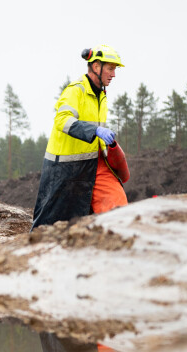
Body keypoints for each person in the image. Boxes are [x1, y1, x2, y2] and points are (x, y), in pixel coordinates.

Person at [31, 45, 127, 230]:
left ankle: (114, 248)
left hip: (94, 163)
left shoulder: (101, 95)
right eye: (110, 68)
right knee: (51, 224)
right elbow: (62, 120)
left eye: (115, 69)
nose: (114, 74)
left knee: (118, 209)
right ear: (96, 67)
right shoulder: (75, 91)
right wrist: (94, 131)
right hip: (65, 168)